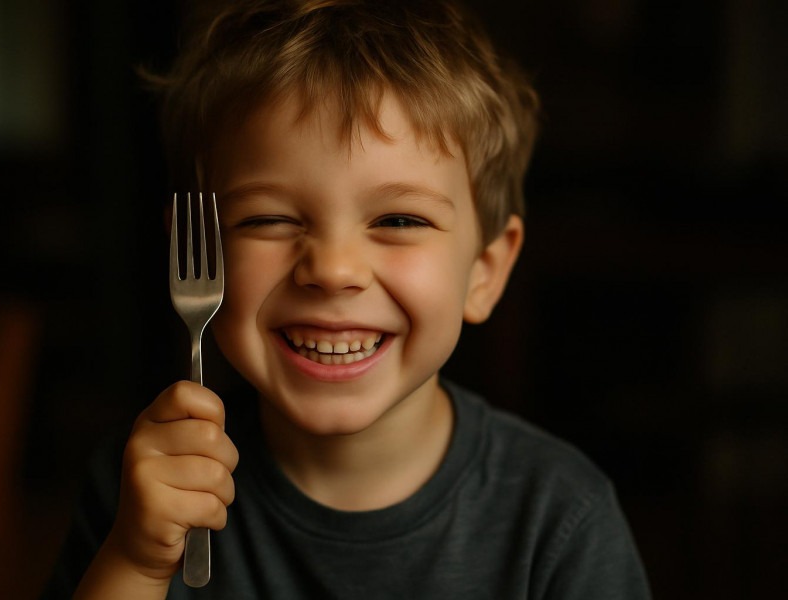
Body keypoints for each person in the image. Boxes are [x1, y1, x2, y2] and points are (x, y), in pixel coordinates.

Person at [44, 0, 652, 598]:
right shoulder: (145, 487)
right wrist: (137, 561)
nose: (332, 271)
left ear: (485, 272)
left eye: (399, 219)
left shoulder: (559, 517)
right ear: (200, 248)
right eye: (270, 219)